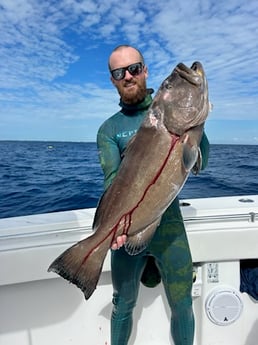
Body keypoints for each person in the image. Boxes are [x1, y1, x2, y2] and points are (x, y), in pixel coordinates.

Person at [97, 45, 209, 345]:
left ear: (145, 70)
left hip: (169, 225)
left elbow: (201, 162)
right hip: (127, 226)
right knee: (122, 304)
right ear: (112, 79)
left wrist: (198, 127)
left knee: (183, 303)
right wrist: (115, 228)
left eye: (134, 68)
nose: (128, 76)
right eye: (119, 73)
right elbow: (112, 182)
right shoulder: (109, 130)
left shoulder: (168, 109)